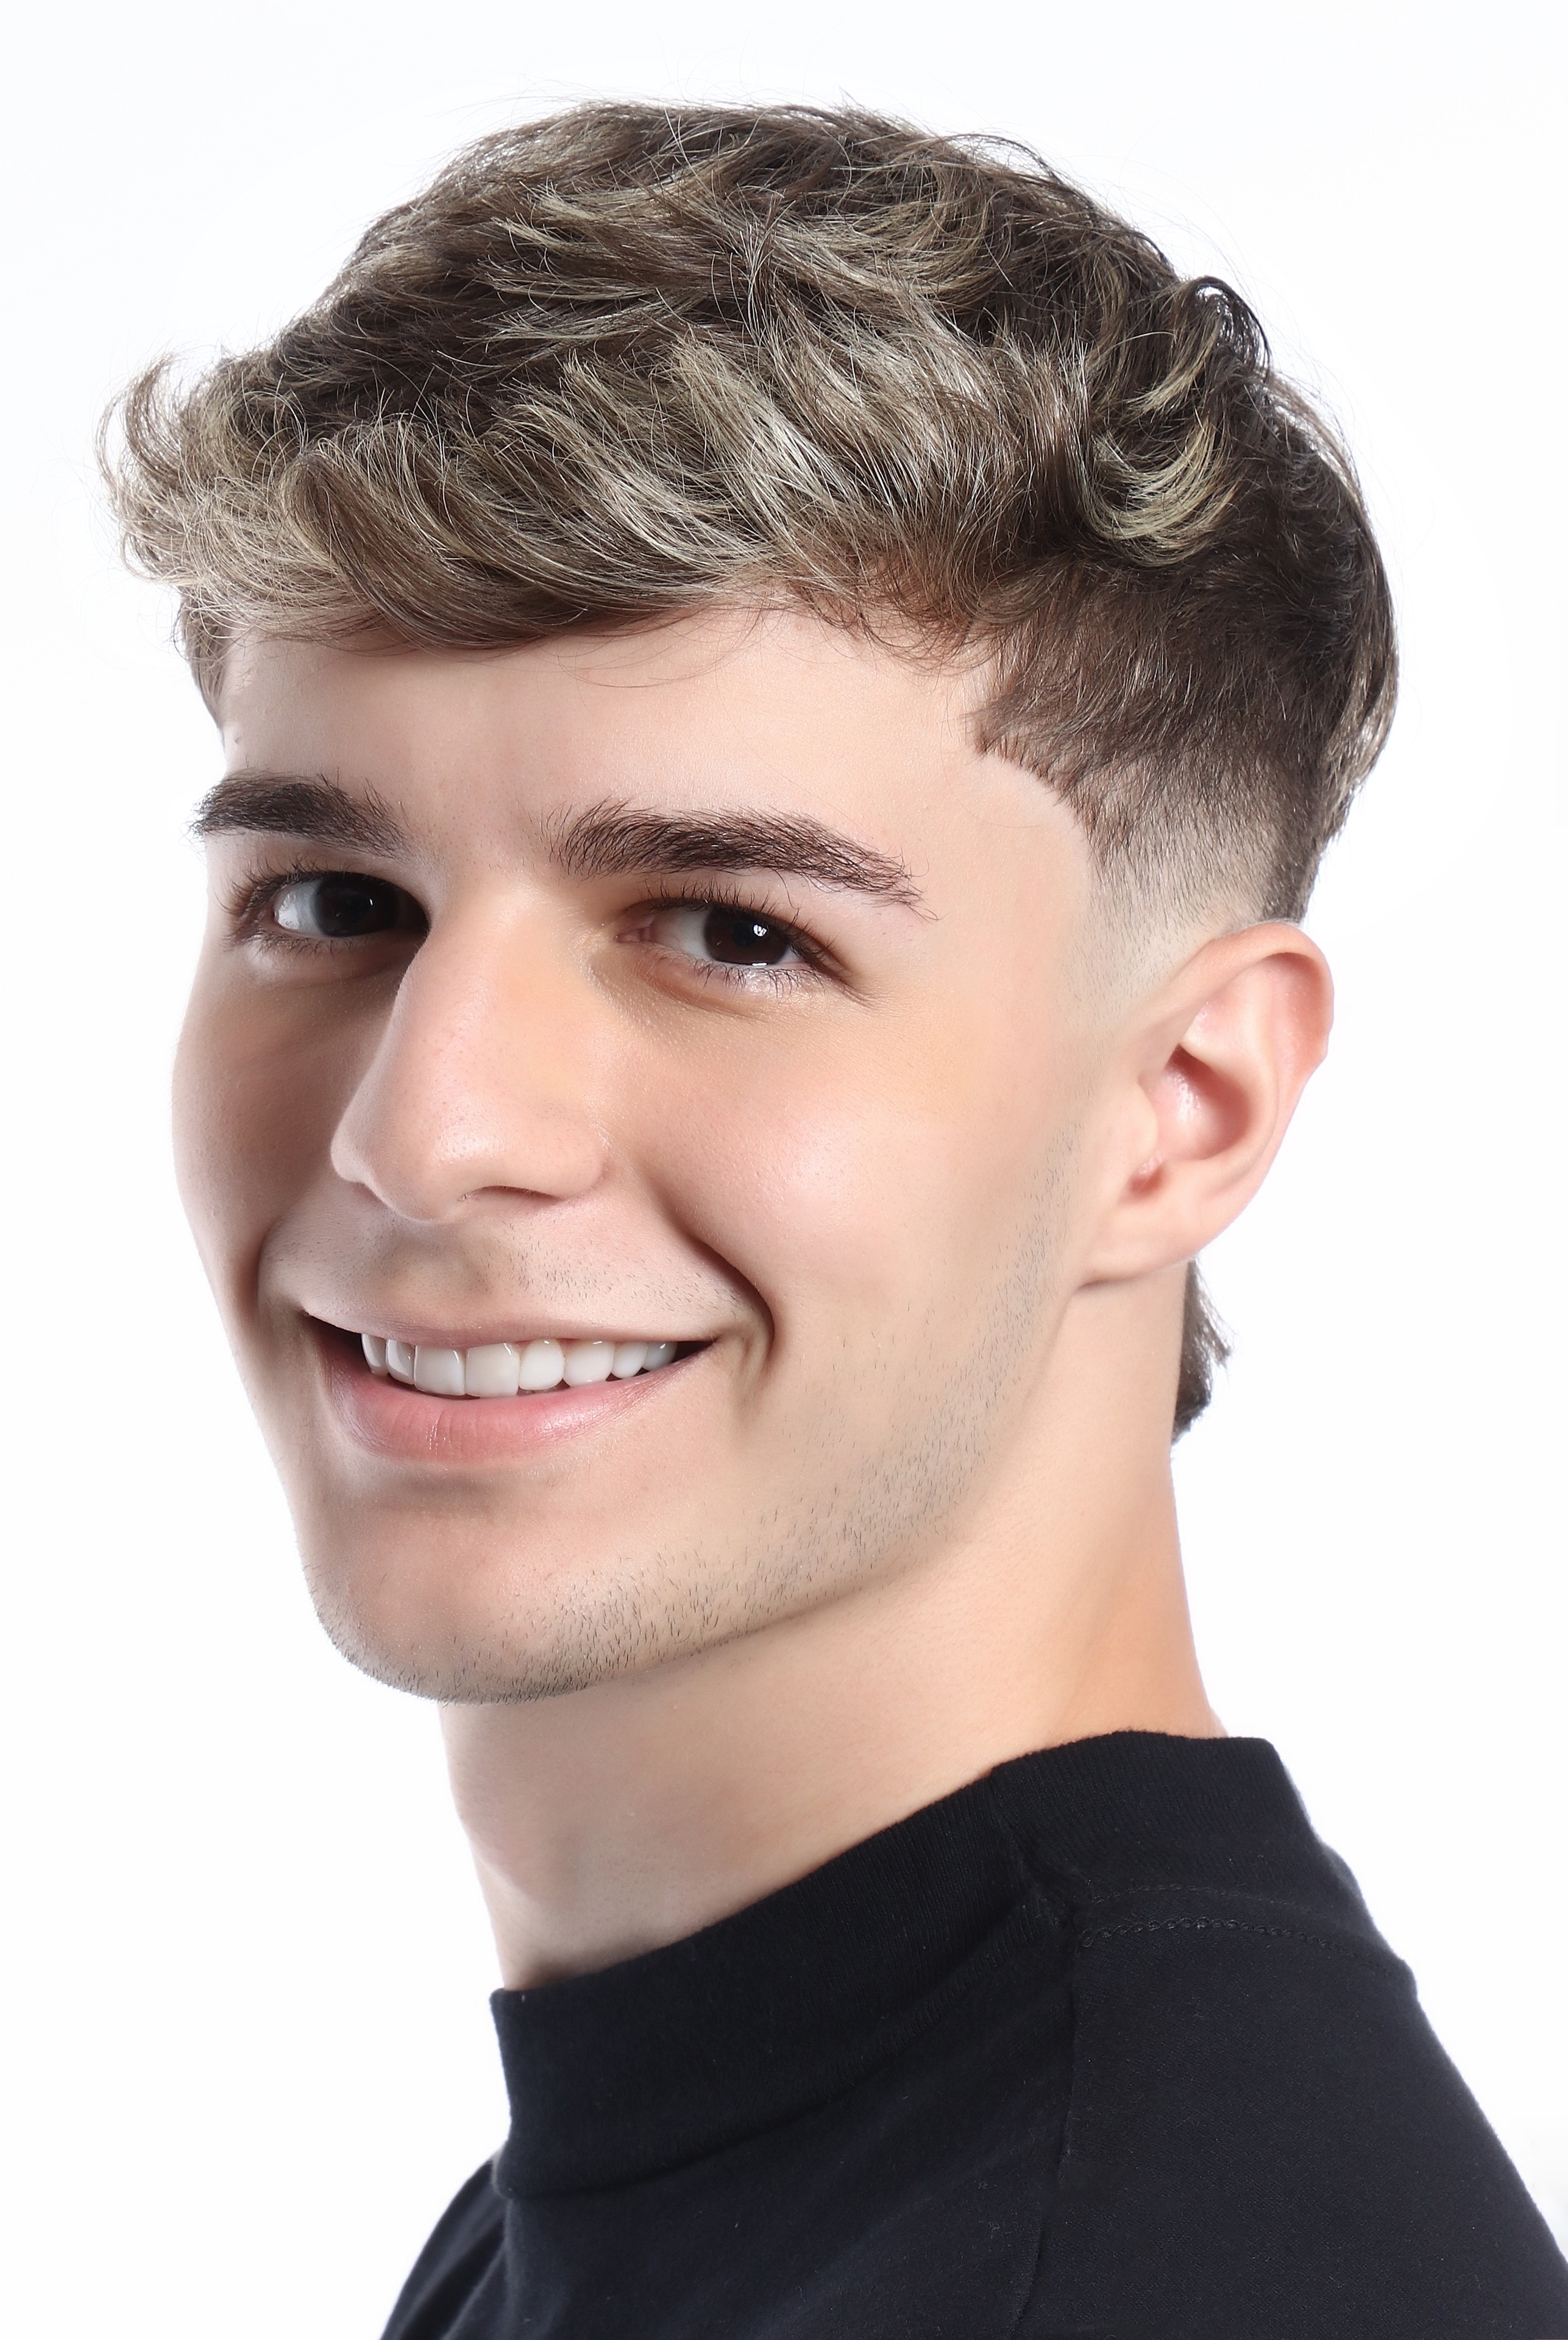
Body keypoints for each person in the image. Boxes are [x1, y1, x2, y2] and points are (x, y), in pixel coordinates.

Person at [104, 102, 1568, 2338]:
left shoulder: (1156, 2276)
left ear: (1179, 1107)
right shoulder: (719, 2162)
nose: (425, 1131)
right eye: (333, 902)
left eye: (731, 932)